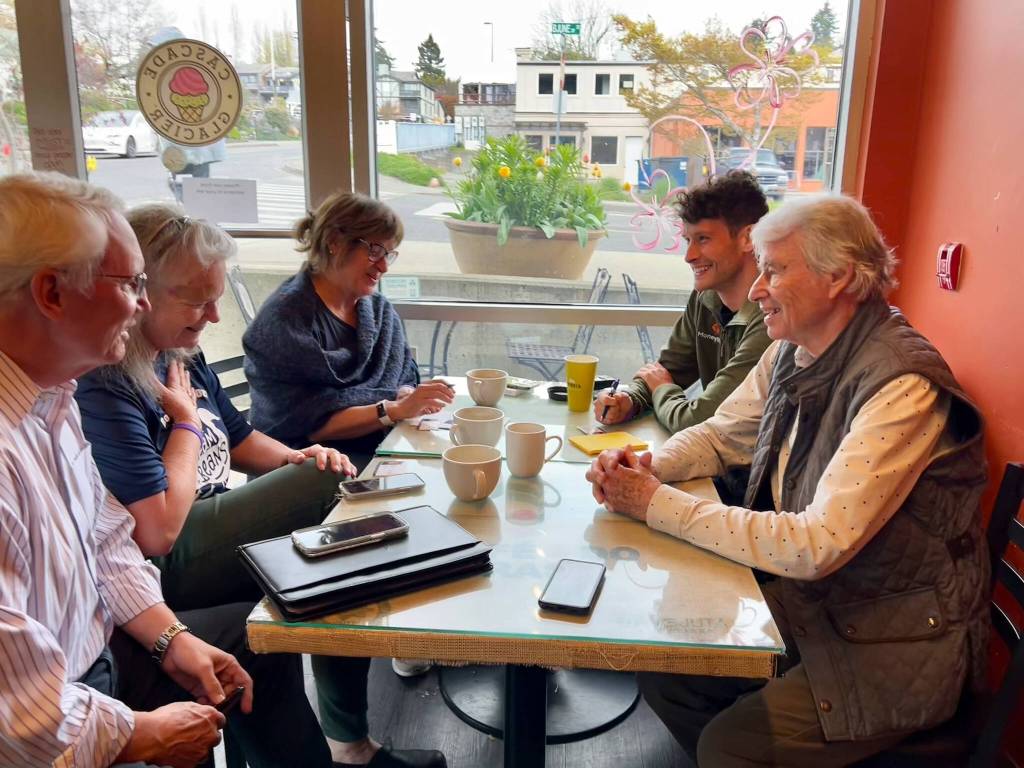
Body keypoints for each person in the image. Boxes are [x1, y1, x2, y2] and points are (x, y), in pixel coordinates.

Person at [586, 194, 989, 767]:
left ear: (838, 276)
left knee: (729, 747)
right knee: (668, 667)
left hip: (896, 637)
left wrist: (654, 503)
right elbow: (719, 435)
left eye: (773, 270)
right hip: (821, 606)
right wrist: (646, 467)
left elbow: (815, 545)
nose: (756, 289)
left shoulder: (902, 386)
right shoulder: (790, 349)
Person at [76, 203, 447, 768]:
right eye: (196, 300)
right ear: (140, 292)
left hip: (204, 519)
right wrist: (186, 425)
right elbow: (156, 530)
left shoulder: (179, 352)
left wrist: (298, 457)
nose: (213, 315)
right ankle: (358, 723)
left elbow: (242, 437)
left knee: (318, 551)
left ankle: (344, 744)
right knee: (330, 489)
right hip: (158, 559)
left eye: (215, 298)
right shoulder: (108, 381)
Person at [0, 173, 333, 767]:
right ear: (51, 293)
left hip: (102, 654)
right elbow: (21, 710)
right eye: (132, 284)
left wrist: (172, 641)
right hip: (61, 708)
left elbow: (107, 541)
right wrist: (140, 734)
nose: (144, 304)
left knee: (252, 641)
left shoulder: (54, 397)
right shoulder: (86, 393)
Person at [243, 191, 454, 471]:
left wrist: (405, 394)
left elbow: (403, 375)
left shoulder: (378, 311)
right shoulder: (283, 321)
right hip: (306, 468)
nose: (383, 266)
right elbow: (305, 424)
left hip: (378, 449)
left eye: (389, 254)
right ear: (335, 242)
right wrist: (393, 409)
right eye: (375, 251)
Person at [594, 171, 771, 436]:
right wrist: (628, 400)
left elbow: (698, 420)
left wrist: (662, 389)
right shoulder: (705, 297)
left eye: (703, 239)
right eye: (688, 240)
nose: (689, 256)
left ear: (748, 239)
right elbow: (666, 370)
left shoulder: (771, 316)